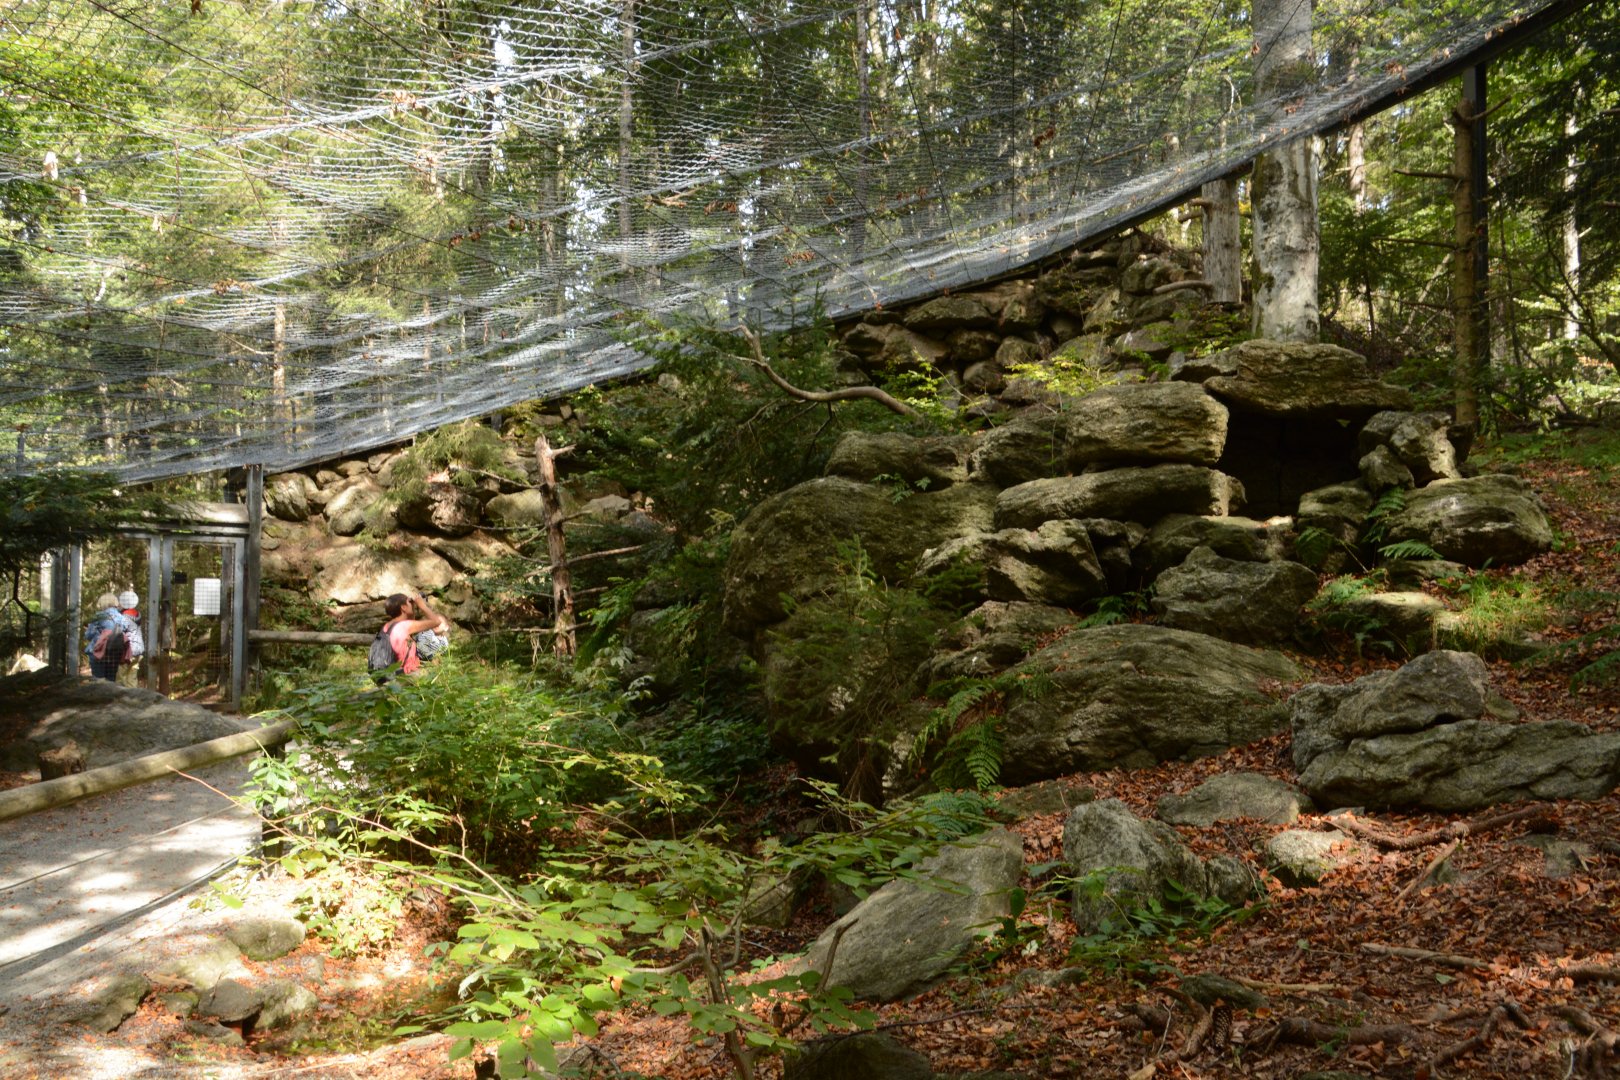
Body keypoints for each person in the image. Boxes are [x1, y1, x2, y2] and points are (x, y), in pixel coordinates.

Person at [378, 593, 445, 676]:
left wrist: (411, 606)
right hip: (403, 675)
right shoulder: (404, 626)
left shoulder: (387, 626)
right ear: (403, 607)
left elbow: (410, 626)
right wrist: (422, 605)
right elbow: (437, 622)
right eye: (409, 602)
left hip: (387, 674)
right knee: (440, 672)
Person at [83, 592, 144, 681]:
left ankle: (99, 695)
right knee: (111, 681)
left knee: (98, 681)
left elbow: (89, 635)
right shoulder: (122, 617)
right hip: (114, 653)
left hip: (98, 653)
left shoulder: (98, 616)